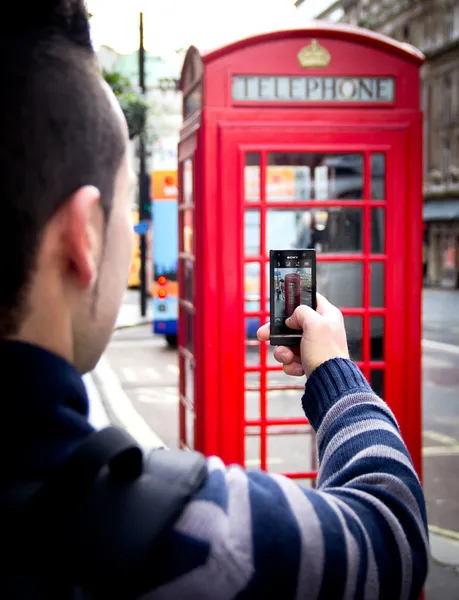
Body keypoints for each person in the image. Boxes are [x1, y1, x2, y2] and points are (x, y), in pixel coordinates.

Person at [0, 2, 428, 598]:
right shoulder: (210, 541)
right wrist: (336, 372)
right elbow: (393, 536)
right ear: (85, 236)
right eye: (126, 208)